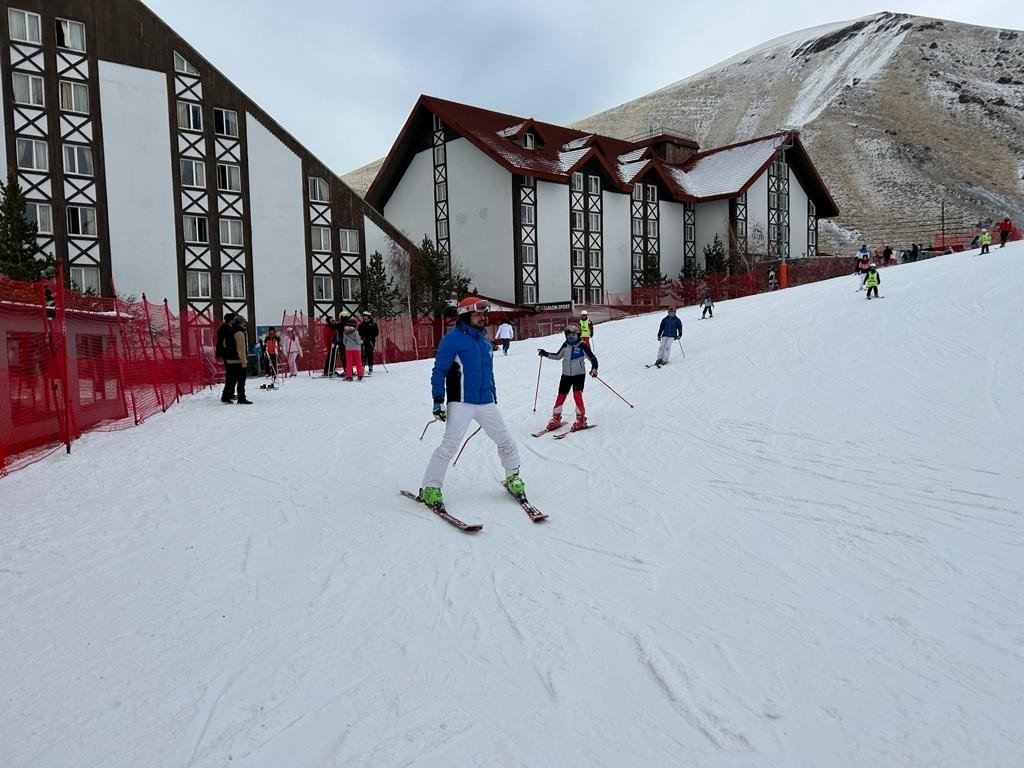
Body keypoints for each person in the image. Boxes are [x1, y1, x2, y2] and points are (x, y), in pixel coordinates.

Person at [419, 296, 524, 508]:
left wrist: (493, 394)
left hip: (486, 402)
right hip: (461, 402)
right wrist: (438, 400)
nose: (482, 317)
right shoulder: (453, 339)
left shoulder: (485, 341)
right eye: (478, 314)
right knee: (449, 446)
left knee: (506, 441)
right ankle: (430, 487)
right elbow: (438, 371)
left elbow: (489, 372)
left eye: (484, 313)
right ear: (465, 315)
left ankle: (513, 477)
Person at [537, 322, 599, 432]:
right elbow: (557, 356)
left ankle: (581, 419)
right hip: (566, 375)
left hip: (579, 375)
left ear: (578, 335)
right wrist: (545, 353)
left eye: (574, 336)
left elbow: (593, 358)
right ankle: (556, 418)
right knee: (561, 395)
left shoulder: (582, 345)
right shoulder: (565, 345)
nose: (571, 338)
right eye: (569, 336)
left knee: (577, 395)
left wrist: (594, 369)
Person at [223, 315, 252, 404]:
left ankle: (226, 396)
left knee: (230, 380)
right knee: (241, 381)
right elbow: (241, 349)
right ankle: (241, 398)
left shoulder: (229, 331)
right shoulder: (240, 333)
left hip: (229, 360)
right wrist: (243, 361)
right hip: (238, 361)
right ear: (241, 323)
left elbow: (224, 344)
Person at [215, 312, 237, 401]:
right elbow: (224, 343)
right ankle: (226, 395)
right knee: (231, 375)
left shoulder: (227, 328)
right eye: (234, 319)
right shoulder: (226, 330)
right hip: (228, 355)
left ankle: (230, 393)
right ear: (230, 320)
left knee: (232, 375)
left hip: (228, 354)